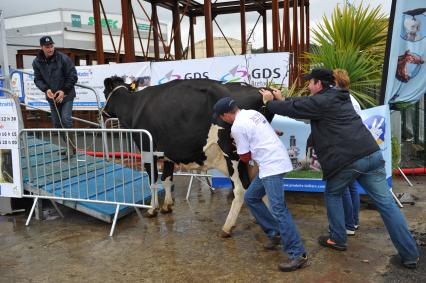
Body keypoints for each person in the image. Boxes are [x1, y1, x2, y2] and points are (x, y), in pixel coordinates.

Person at [259, 68, 420, 269]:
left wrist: (270, 102)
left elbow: (294, 108)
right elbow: (301, 104)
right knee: (387, 205)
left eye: (310, 83)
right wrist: (282, 99)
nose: (308, 86)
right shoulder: (339, 96)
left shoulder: (321, 102)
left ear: (319, 84)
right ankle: (410, 255)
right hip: (371, 155)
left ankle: (338, 239)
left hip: (348, 161)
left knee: (333, 193)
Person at [213, 97, 308, 272]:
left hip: (272, 166)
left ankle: (298, 253)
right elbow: (265, 132)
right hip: (272, 162)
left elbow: (245, 157)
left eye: (221, 117)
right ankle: (274, 233)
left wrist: (237, 147)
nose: (221, 120)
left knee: (279, 209)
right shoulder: (253, 113)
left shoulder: (237, 127)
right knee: (251, 197)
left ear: (226, 115)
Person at [32, 36, 78, 155]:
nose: (50, 49)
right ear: (42, 47)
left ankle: (71, 149)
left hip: (66, 95)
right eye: (47, 47)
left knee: (65, 120)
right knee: (57, 123)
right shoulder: (36, 62)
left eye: (51, 46)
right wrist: (46, 89)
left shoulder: (63, 58)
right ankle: (70, 147)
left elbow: (73, 75)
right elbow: (38, 79)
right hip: (52, 98)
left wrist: (63, 90)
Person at [333, 69, 361, 235]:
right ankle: (354, 222)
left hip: (344, 148)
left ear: (336, 83)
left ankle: (349, 224)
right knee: (351, 187)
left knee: (343, 188)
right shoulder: (351, 99)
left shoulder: (342, 101)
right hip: (353, 147)